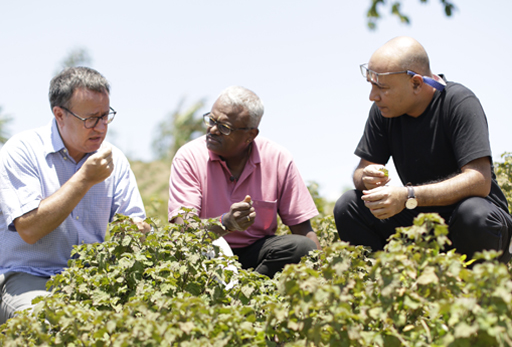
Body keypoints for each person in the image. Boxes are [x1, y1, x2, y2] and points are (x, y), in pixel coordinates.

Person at [0, 66, 150, 325]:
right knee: (50, 324)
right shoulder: (21, 151)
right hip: (23, 276)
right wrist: (84, 179)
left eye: (106, 116)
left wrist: (137, 229)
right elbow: (29, 229)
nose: (101, 127)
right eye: (91, 119)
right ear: (59, 115)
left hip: (88, 281)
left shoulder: (114, 159)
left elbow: (132, 229)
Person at [334, 36, 512, 263]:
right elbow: (361, 170)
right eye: (371, 85)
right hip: (422, 220)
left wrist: (408, 196)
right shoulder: (384, 111)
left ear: (416, 84)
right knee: (349, 206)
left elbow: (479, 180)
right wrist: (365, 177)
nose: (373, 96)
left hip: (474, 218)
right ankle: (386, 289)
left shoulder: (459, 102)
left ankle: (483, 292)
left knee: (474, 214)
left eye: (382, 87)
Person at [168, 85, 321, 278]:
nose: (212, 130)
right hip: (207, 253)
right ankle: (245, 298)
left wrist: (326, 281)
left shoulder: (278, 159)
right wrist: (226, 223)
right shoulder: (189, 157)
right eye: (211, 120)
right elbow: (185, 230)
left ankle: (247, 292)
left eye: (224, 127)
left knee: (302, 247)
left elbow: (303, 230)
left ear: (250, 135)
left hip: (256, 255)